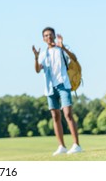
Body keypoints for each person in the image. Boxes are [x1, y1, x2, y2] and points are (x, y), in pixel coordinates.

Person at [32, 27, 82, 156]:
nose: (48, 37)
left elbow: (74, 58)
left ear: (54, 36)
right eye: (46, 35)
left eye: (50, 35)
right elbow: (38, 70)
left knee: (68, 114)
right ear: (43, 39)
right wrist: (36, 58)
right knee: (55, 116)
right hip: (50, 88)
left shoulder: (61, 48)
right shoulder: (43, 54)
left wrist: (63, 47)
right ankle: (62, 146)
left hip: (63, 84)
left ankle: (76, 145)